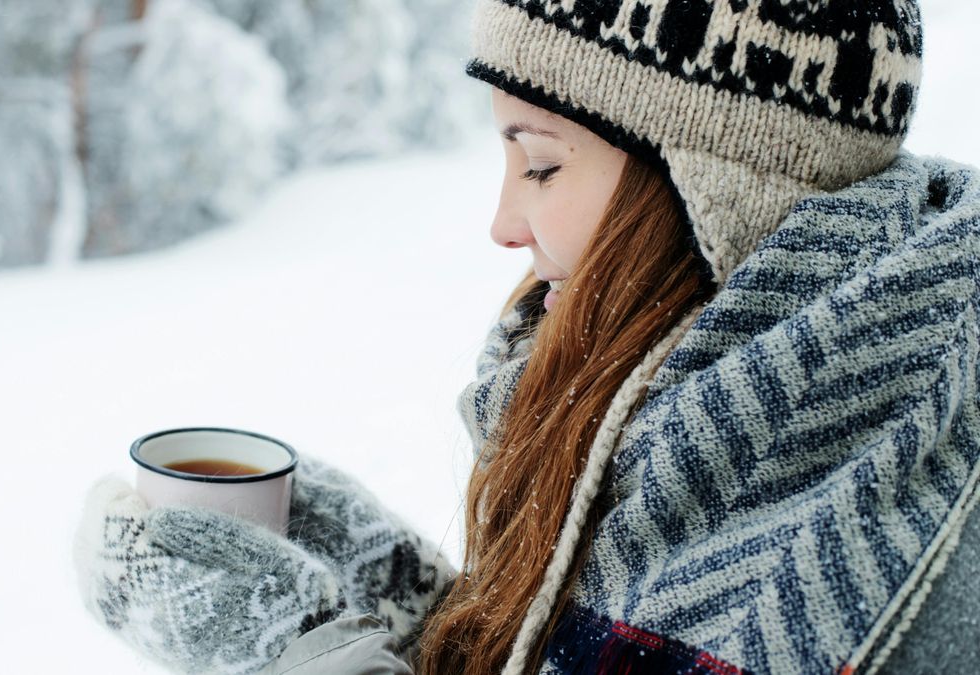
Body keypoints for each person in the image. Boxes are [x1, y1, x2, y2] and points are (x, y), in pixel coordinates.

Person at [73, 0, 980, 673]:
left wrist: (284, 654)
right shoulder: (742, 413)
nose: (505, 222)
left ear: (720, 185)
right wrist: (400, 598)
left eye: (541, 162)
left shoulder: (844, 533)